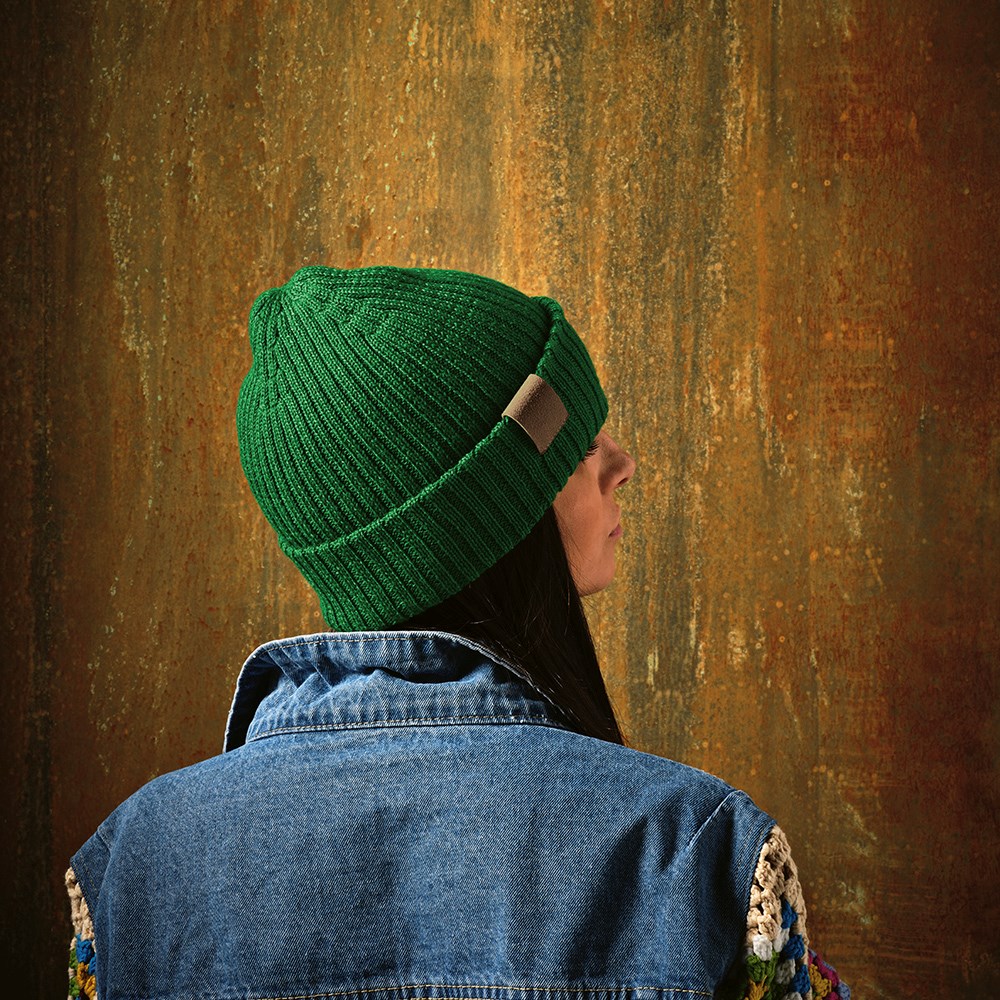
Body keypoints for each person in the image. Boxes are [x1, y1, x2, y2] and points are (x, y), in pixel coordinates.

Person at [66, 266, 849, 1000]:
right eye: (578, 445)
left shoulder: (131, 870)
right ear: (486, 522)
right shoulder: (702, 855)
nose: (623, 463)